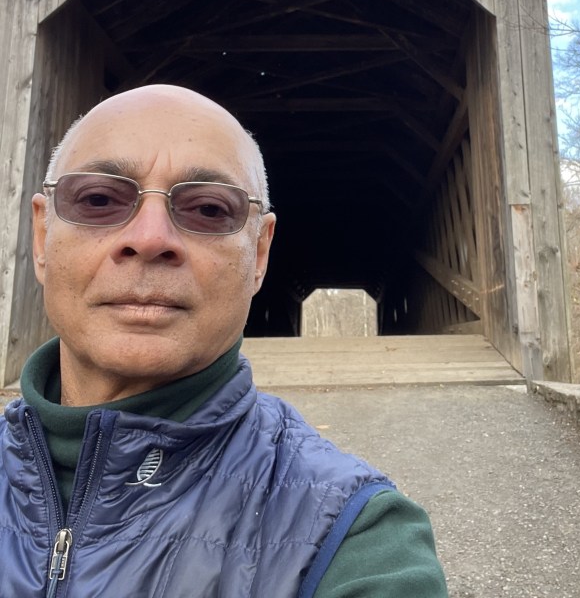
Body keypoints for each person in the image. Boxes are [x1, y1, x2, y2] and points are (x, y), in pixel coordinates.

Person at [0, 84, 448, 597]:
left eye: (209, 209)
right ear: (42, 238)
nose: (149, 238)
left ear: (259, 255)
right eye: (99, 199)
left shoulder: (355, 538)